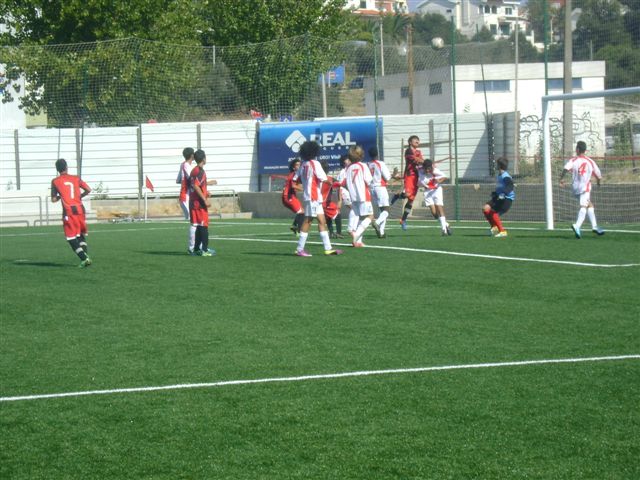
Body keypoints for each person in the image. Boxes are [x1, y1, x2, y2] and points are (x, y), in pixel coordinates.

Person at [291, 141, 343, 257]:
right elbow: (324, 179)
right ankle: (299, 249)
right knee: (308, 221)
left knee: (322, 221)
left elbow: (295, 179)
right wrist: (338, 183)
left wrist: (305, 185)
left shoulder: (303, 164)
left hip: (312, 197)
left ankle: (328, 249)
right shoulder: (315, 163)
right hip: (313, 196)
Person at [50, 158, 92, 267]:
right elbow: (88, 189)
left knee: (70, 237)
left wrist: (60, 196)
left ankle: (84, 259)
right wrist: (80, 196)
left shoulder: (55, 181)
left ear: (57, 169)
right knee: (80, 234)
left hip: (69, 211)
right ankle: (86, 256)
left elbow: (53, 200)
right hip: (80, 209)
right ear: (66, 167)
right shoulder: (76, 178)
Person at [559, 141, 605, 238]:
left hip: (575, 188)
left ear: (577, 149)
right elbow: (598, 175)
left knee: (589, 205)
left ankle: (595, 226)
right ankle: (577, 225)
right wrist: (598, 183)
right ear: (585, 150)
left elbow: (565, 169)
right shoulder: (590, 161)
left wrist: (561, 179)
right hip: (585, 188)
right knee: (584, 206)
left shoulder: (573, 160)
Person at [391, 135, 424, 230]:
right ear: (410, 142)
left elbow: (421, 161)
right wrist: (424, 161)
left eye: (418, 141)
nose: (418, 142)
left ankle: (403, 219)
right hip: (409, 175)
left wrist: (426, 163)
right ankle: (397, 195)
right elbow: (417, 160)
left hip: (417, 177)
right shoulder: (408, 151)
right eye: (415, 141)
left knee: (411, 200)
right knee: (407, 194)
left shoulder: (419, 152)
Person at [189, 149, 218, 256]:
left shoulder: (194, 170)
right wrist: (204, 199)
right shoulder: (200, 171)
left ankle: (196, 249)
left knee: (198, 226)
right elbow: (196, 186)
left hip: (193, 202)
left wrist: (206, 192)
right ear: (204, 159)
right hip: (199, 203)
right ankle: (204, 250)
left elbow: (197, 185)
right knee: (204, 226)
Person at [344, 145, 374, 247]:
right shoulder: (363, 166)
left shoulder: (348, 168)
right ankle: (356, 234)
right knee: (370, 216)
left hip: (354, 196)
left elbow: (346, 182)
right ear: (361, 155)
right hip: (363, 195)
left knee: (360, 217)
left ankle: (358, 241)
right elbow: (369, 181)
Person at [482, 157, 514, 238]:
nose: (496, 165)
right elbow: (501, 187)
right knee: (485, 208)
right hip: (498, 197)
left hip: (506, 199)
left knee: (493, 213)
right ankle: (494, 227)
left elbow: (510, 186)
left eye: (497, 164)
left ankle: (502, 231)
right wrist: (495, 193)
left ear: (499, 165)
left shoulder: (505, 176)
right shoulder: (500, 175)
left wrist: (503, 193)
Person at [418, 159, 451, 236]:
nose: (427, 170)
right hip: (427, 192)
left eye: (429, 169)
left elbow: (444, 176)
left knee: (439, 208)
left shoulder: (435, 171)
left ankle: (444, 230)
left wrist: (439, 181)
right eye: (426, 169)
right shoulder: (420, 170)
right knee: (434, 213)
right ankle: (446, 224)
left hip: (436, 190)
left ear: (431, 167)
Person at [368, 146, 391, 238]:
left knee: (381, 210)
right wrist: (394, 175)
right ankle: (376, 222)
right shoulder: (380, 163)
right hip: (380, 187)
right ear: (377, 154)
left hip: (372, 188)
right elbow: (387, 177)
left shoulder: (368, 164)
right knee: (386, 210)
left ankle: (381, 232)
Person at [320, 161, 343, 239]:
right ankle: (338, 233)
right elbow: (339, 186)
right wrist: (340, 200)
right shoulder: (330, 179)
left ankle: (331, 232)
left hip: (319, 202)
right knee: (337, 213)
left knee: (328, 217)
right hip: (325, 202)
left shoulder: (317, 179)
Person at [282, 158, 304, 235]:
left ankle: (294, 226)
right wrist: (305, 189)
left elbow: (297, 186)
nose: (299, 166)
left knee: (302, 212)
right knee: (301, 213)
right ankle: (299, 231)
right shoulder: (294, 174)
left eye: (300, 164)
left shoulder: (296, 175)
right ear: (293, 168)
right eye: (297, 165)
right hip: (289, 196)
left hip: (290, 196)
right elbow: (293, 186)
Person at [336, 154, 355, 236]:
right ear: (343, 162)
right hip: (344, 192)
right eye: (347, 160)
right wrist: (340, 198)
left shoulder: (350, 170)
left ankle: (352, 228)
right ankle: (350, 228)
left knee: (354, 209)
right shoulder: (343, 171)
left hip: (348, 192)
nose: (349, 161)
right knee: (354, 209)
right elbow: (340, 185)